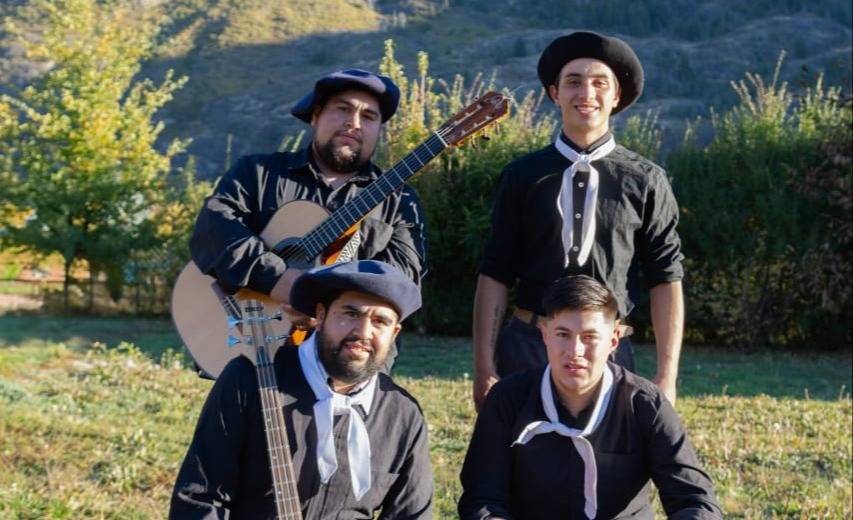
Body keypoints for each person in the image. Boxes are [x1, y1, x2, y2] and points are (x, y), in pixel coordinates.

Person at [473, 31, 684, 410]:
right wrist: (484, 367)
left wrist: (667, 377)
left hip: (610, 350)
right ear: (554, 93)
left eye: (600, 83)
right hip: (527, 346)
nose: (586, 92)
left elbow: (666, 278)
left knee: (608, 466)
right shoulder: (521, 175)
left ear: (616, 97)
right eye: (573, 81)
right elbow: (495, 272)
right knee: (518, 463)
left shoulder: (647, 179)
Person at [190, 69, 427, 370]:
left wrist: (323, 301)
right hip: (251, 345)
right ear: (315, 115)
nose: (354, 123)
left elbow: (403, 281)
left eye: (369, 116)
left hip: (350, 362)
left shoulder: (400, 202)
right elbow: (214, 230)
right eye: (343, 109)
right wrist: (278, 279)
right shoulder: (257, 173)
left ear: (379, 128)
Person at [170, 260, 433, 518]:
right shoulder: (249, 379)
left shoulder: (403, 416)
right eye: (351, 314)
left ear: (394, 333)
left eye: (380, 322)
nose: (363, 332)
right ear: (320, 315)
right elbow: (198, 498)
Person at [459, 275, 721, 519]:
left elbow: (695, 500)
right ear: (544, 334)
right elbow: (482, 499)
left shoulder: (645, 405)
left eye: (589, 337)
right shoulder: (507, 399)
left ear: (614, 340)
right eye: (563, 335)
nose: (575, 351)